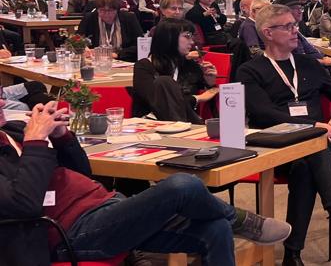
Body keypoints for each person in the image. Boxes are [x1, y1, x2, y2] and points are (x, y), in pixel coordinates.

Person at [0, 101, 291, 266]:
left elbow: (84, 173)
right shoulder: (28, 136)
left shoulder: (14, 130)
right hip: (69, 233)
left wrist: (63, 138)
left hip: (106, 206)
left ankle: (232, 222)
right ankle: (242, 220)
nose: (2, 102)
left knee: (214, 228)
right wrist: (37, 141)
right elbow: (23, 204)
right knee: (182, 186)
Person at [237, 5, 331, 265]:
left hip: (311, 144)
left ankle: (294, 254)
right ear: (268, 33)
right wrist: (314, 124)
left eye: (295, 25)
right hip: (274, 146)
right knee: (315, 146)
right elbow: (265, 113)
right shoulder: (251, 70)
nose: (296, 31)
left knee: (306, 166)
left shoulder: (306, 64)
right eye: (288, 26)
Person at [132, 18, 218, 123]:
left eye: (192, 36)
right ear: (169, 38)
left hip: (187, 122)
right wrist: (196, 98)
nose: (191, 41)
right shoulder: (144, 67)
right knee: (164, 82)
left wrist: (210, 83)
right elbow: (159, 103)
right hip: (153, 125)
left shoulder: (190, 66)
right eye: (187, 36)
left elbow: (210, 104)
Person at [75, 0, 143, 62]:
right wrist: (84, 48)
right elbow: (75, 39)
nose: (106, 14)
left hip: (124, 61)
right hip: (96, 62)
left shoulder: (129, 18)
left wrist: (117, 55)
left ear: (117, 9)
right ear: (97, 9)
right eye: (102, 10)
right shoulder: (89, 18)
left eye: (110, 10)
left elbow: (140, 45)